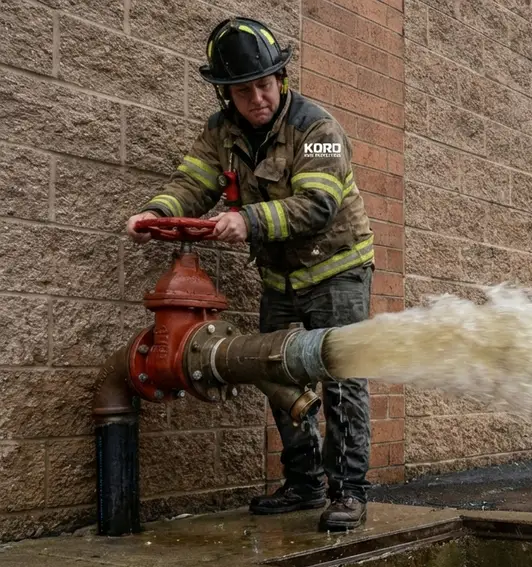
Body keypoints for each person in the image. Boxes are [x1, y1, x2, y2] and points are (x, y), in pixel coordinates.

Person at [125, 17, 373, 532]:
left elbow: (318, 205)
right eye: (244, 90)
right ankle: (304, 484)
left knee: (340, 377)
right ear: (226, 94)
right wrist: (155, 212)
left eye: (265, 84)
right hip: (281, 279)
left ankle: (349, 490)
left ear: (281, 79)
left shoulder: (318, 128)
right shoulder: (221, 133)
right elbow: (192, 182)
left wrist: (249, 220)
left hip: (337, 272)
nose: (257, 97)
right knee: (272, 367)